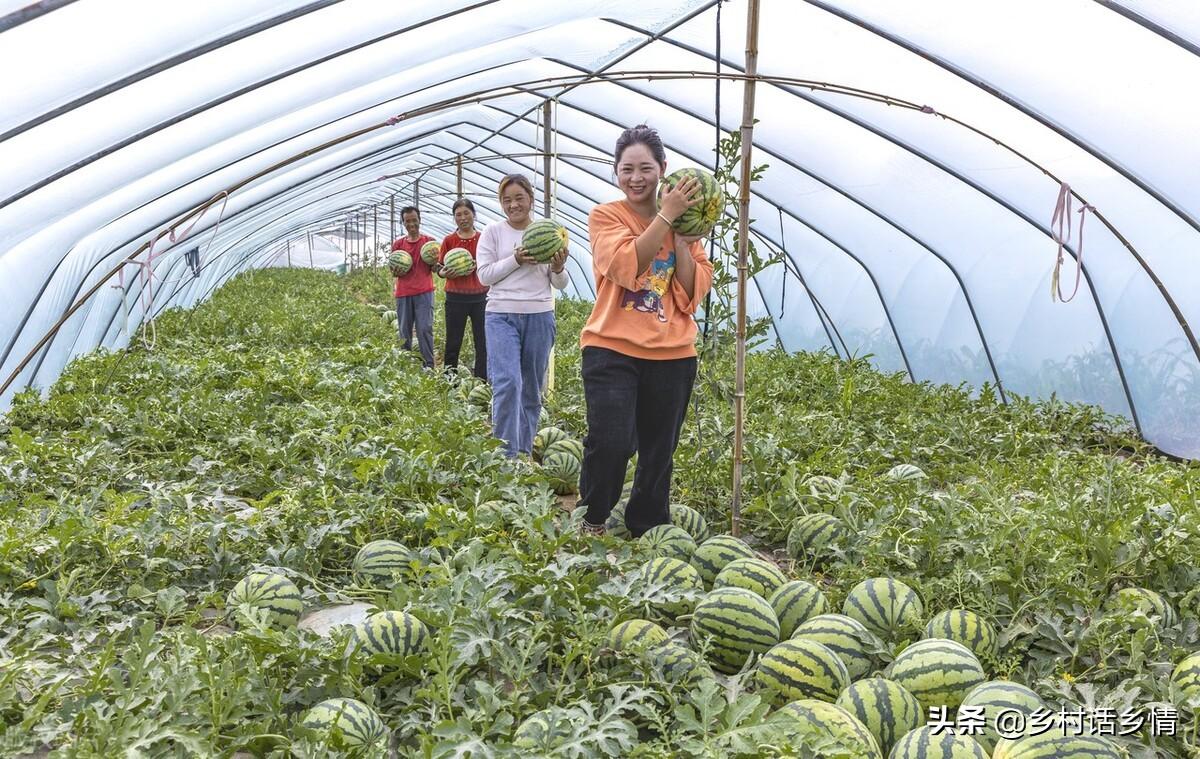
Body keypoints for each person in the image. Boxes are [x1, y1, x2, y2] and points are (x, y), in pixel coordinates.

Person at [576, 124, 714, 537]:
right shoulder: (606, 216)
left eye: (645, 168)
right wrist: (666, 216)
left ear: (663, 170)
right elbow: (624, 266)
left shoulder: (685, 227)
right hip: (611, 348)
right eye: (627, 169)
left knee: (659, 453)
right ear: (616, 173)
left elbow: (692, 293)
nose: (636, 178)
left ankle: (648, 527)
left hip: (673, 354)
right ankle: (592, 518)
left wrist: (686, 243)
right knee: (611, 441)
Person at [476, 174, 569, 458]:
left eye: (519, 198)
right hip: (501, 315)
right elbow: (484, 276)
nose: (513, 205)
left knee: (530, 388)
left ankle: (524, 451)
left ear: (530, 198)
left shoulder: (549, 231)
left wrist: (557, 267)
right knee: (507, 383)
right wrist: (516, 259)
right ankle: (505, 457)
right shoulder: (493, 232)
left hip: (539, 316)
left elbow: (561, 284)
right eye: (507, 200)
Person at [437, 198, 488, 381]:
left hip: (481, 297)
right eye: (458, 215)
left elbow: (490, 263)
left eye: (466, 213)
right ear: (454, 218)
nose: (463, 218)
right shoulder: (449, 240)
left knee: (482, 343)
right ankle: (449, 381)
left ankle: (482, 380)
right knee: (453, 342)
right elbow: (439, 267)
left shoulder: (483, 238)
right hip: (455, 298)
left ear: (473, 215)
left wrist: (480, 264)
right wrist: (443, 273)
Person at [391, 206, 436, 369]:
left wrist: (435, 263)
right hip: (403, 293)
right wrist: (395, 270)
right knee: (405, 331)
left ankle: (429, 366)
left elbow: (435, 267)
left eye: (414, 220)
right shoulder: (398, 245)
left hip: (424, 292)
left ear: (419, 220)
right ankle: (405, 365)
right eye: (407, 221)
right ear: (403, 223)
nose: (411, 224)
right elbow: (393, 270)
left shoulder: (430, 243)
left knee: (424, 329)